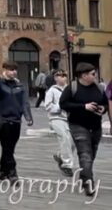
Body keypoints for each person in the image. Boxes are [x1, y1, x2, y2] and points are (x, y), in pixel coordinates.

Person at [59, 62, 108, 197]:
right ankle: (88, 182)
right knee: (85, 154)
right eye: (93, 74)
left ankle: (84, 175)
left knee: (91, 154)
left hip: (95, 126)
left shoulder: (99, 88)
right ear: (84, 75)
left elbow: (105, 103)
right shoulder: (72, 88)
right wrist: (84, 107)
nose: (95, 76)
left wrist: (103, 109)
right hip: (78, 125)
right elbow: (63, 104)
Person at [0, 61, 33, 182]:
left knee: (9, 148)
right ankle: (12, 173)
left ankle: (2, 171)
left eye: (15, 70)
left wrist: (28, 117)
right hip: (2, 120)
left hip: (16, 120)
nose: (14, 72)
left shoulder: (20, 86)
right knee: (7, 146)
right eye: (11, 69)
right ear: (5, 70)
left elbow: (25, 103)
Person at [43, 70, 76, 177]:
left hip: (69, 118)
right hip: (56, 118)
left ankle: (60, 155)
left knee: (72, 141)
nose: (63, 77)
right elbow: (48, 106)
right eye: (60, 76)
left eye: (64, 75)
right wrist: (60, 106)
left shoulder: (70, 90)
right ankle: (67, 165)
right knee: (65, 138)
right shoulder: (51, 91)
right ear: (55, 78)